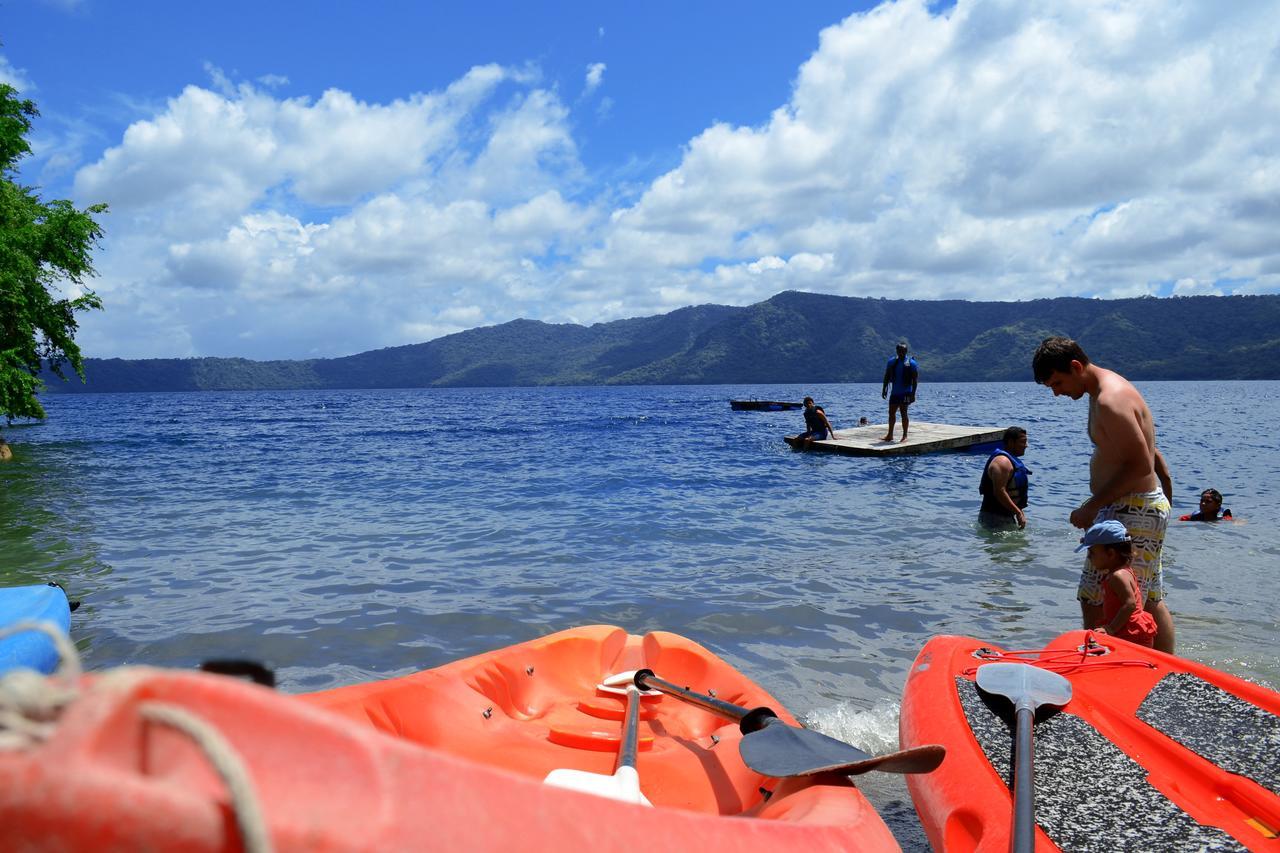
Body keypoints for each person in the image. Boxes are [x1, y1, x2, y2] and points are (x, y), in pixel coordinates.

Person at [1032, 336, 1176, 654]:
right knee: (1147, 596)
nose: (1057, 392)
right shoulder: (1110, 388)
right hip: (1142, 506)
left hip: (1133, 507)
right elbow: (1147, 450)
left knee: (1097, 594)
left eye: (1057, 383)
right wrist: (1164, 486)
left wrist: (1090, 507)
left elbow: (1139, 463)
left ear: (1075, 366)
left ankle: (1106, 666)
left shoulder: (1110, 400)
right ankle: (1167, 671)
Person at [1074, 520, 1157, 647]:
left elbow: (1130, 604)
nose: (1089, 557)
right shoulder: (1123, 571)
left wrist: (1110, 629)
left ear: (1111, 554)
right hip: (1129, 630)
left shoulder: (1117, 576)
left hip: (1131, 634)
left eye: (1092, 552)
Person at [978, 427, 1031, 529]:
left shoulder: (1010, 461)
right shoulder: (1002, 462)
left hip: (1005, 517)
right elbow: (999, 491)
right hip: (993, 517)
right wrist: (1018, 512)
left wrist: (1019, 511)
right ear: (1011, 442)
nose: (1026, 445)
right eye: (1022, 442)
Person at [881, 342, 918, 442]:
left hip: (906, 392)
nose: (901, 353)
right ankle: (890, 435)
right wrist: (884, 388)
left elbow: (915, 380)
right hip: (895, 393)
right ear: (896, 351)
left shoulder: (911, 363)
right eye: (899, 351)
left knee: (903, 413)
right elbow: (887, 376)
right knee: (891, 413)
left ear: (906, 351)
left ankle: (905, 436)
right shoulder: (892, 362)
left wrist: (913, 394)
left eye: (903, 351)